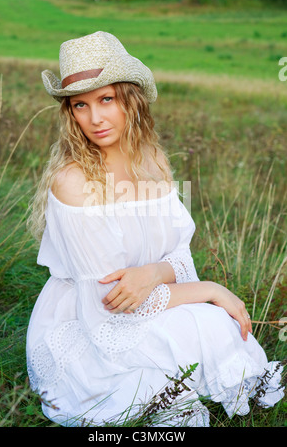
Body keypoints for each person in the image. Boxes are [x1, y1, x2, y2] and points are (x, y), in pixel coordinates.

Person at [26, 31, 284, 427]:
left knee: (220, 326)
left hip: (148, 296)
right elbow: (111, 300)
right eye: (81, 105)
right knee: (208, 325)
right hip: (87, 321)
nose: (95, 118)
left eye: (106, 99)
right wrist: (211, 290)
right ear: (70, 112)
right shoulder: (73, 182)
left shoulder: (152, 161)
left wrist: (151, 273)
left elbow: (177, 254)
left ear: (130, 98)